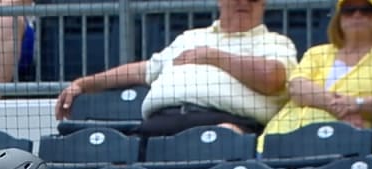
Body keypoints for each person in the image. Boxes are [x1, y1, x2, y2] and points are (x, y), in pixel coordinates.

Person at [54, 0, 298, 137]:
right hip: (161, 123)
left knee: (225, 138)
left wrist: (212, 56)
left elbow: (272, 77)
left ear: (263, 4)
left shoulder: (275, 42)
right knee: (113, 161)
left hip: (225, 124)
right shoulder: (189, 38)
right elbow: (142, 70)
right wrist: (83, 84)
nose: (244, 2)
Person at [258, 0, 372, 151]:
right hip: (283, 134)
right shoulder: (317, 53)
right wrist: (340, 107)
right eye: (349, 10)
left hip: (345, 142)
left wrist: (358, 103)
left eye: (366, 10)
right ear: (339, 19)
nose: (357, 15)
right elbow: (297, 87)